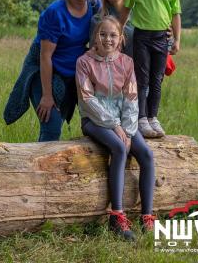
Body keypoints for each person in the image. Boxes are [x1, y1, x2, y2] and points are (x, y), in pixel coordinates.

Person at [76, 16, 155, 241]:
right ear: (96, 37)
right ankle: (117, 216)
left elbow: (131, 98)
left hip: (124, 124)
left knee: (147, 155)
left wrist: (128, 130)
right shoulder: (84, 62)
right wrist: (115, 126)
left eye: (113, 35)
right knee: (120, 149)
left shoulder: (127, 63)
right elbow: (87, 99)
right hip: (94, 121)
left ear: (121, 39)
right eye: (103, 35)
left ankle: (147, 216)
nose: (107, 39)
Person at [4, 0, 101, 141]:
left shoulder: (95, 6)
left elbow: (116, 25)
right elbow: (45, 56)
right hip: (45, 73)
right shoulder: (55, 13)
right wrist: (47, 96)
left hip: (74, 75)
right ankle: (39, 169)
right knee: (51, 128)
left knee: (91, 123)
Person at [121, 0, 181, 138]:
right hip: (142, 38)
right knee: (142, 79)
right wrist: (119, 30)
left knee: (157, 80)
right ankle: (141, 118)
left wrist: (177, 39)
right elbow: (126, 10)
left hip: (161, 39)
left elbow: (175, 15)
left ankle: (153, 117)